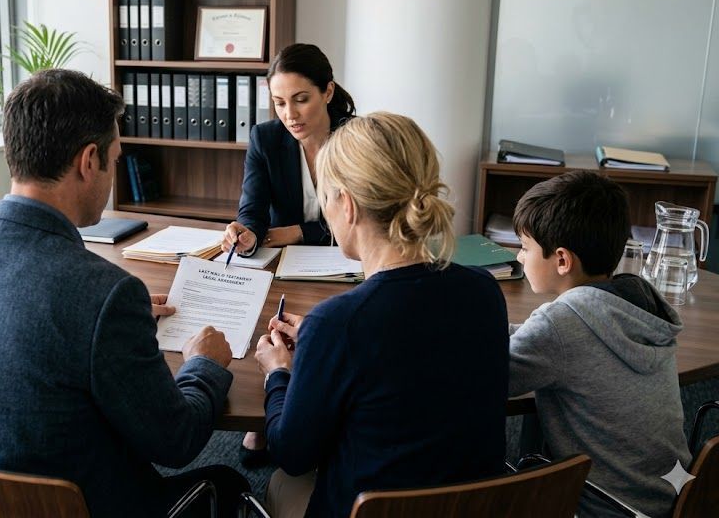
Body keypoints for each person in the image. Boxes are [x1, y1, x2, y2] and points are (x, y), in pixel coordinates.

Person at [0, 69, 250, 518]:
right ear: (89, 161)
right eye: (113, 158)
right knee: (229, 482)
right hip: (75, 507)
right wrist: (205, 364)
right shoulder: (103, 292)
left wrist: (107, 331)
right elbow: (176, 441)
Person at [255, 112, 509, 518]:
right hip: (471, 507)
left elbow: (292, 453)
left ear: (348, 205)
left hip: (368, 510)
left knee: (282, 483)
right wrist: (324, 346)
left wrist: (278, 372)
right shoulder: (484, 290)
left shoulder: (339, 323)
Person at [508, 171, 691, 517]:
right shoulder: (640, 301)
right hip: (673, 496)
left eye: (525, 247)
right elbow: (546, 338)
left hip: (605, 507)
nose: (519, 257)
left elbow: (491, 375)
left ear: (562, 260)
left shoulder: (558, 326)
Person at [222, 43, 356, 256]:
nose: (290, 115)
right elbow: (252, 209)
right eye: (280, 103)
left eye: (301, 100)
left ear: (327, 92)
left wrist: (298, 232)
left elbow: (364, 219)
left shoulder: (358, 139)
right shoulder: (265, 138)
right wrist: (247, 233)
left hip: (347, 259)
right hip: (282, 261)